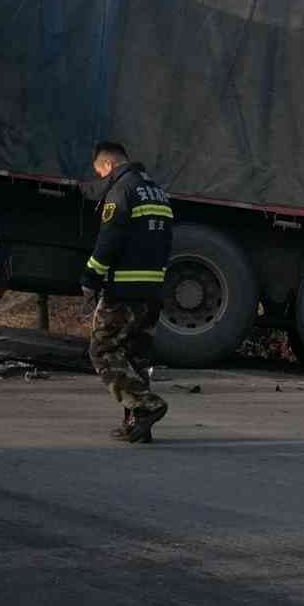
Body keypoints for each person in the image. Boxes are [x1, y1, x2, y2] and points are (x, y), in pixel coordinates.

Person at [80, 140, 174, 443]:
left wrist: (90, 276)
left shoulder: (121, 190)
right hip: (152, 290)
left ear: (107, 165)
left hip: (124, 290)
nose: (101, 179)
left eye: (99, 173)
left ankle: (147, 405)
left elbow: (110, 238)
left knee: (103, 350)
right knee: (136, 358)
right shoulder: (158, 191)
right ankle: (137, 423)